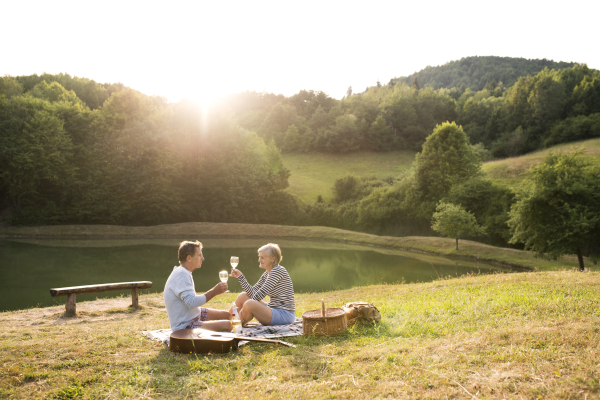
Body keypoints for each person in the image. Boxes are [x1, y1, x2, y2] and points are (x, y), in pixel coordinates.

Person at [164, 240, 231, 332]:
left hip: (194, 315)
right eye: (199, 255)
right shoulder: (181, 276)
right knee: (228, 325)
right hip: (184, 326)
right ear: (189, 258)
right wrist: (214, 292)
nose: (202, 258)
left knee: (228, 315)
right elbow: (192, 302)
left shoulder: (185, 272)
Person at [230, 243, 296, 326]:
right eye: (259, 257)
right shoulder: (267, 273)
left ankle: (234, 324)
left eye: (262, 257)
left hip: (284, 315)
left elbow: (261, 293)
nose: (259, 260)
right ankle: (226, 319)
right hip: (273, 310)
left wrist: (244, 309)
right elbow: (253, 292)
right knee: (243, 296)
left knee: (249, 303)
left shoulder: (278, 271)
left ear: (273, 259)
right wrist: (240, 277)